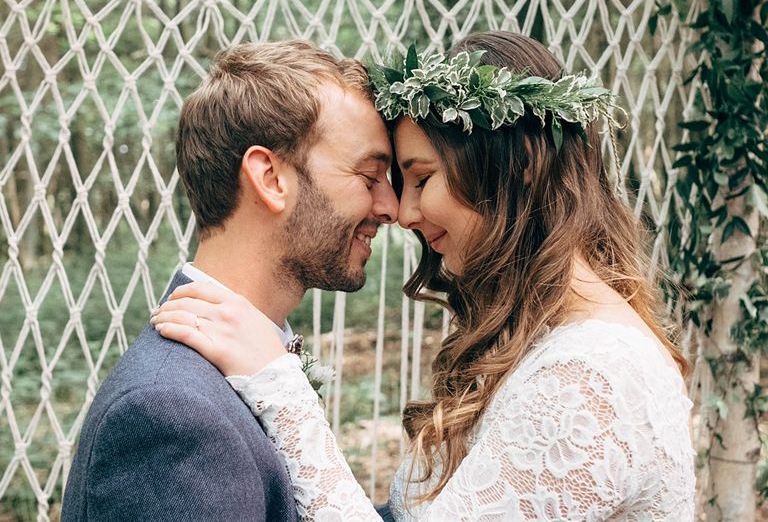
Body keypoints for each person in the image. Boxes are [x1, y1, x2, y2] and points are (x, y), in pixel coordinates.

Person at [153, 32, 696, 520]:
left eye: (421, 178)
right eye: (381, 178)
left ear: (521, 164)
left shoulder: (591, 377)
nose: (403, 213)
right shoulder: (548, 343)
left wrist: (280, 387)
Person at [61, 40, 399, 521]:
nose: (391, 208)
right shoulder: (168, 413)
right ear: (269, 177)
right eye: (369, 178)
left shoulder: (239, 371)